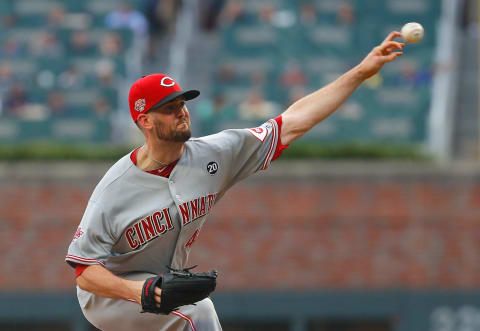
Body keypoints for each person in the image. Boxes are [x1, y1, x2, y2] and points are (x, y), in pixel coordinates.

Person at [65, 32, 404, 331]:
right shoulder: (114, 188)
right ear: (145, 121)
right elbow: (85, 270)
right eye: (169, 108)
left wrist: (360, 72)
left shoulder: (215, 153)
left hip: (161, 286)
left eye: (182, 103)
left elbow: (292, 122)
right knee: (197, 312)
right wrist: (143, 292)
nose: (182, 111)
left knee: (186, 311)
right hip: (109, 295)